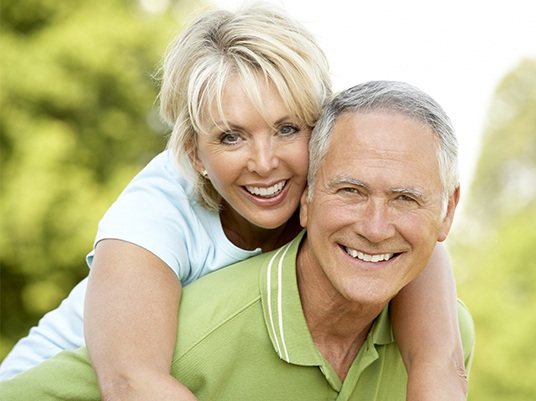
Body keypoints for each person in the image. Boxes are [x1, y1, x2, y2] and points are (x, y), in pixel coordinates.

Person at [0, 4, 466, 400]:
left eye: (287, 128)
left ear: (324, 131)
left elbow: (411, 254)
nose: (264, 163)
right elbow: (130, 382)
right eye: (230, 136)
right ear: (193, 153)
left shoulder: (337, 197)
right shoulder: (155, 213)